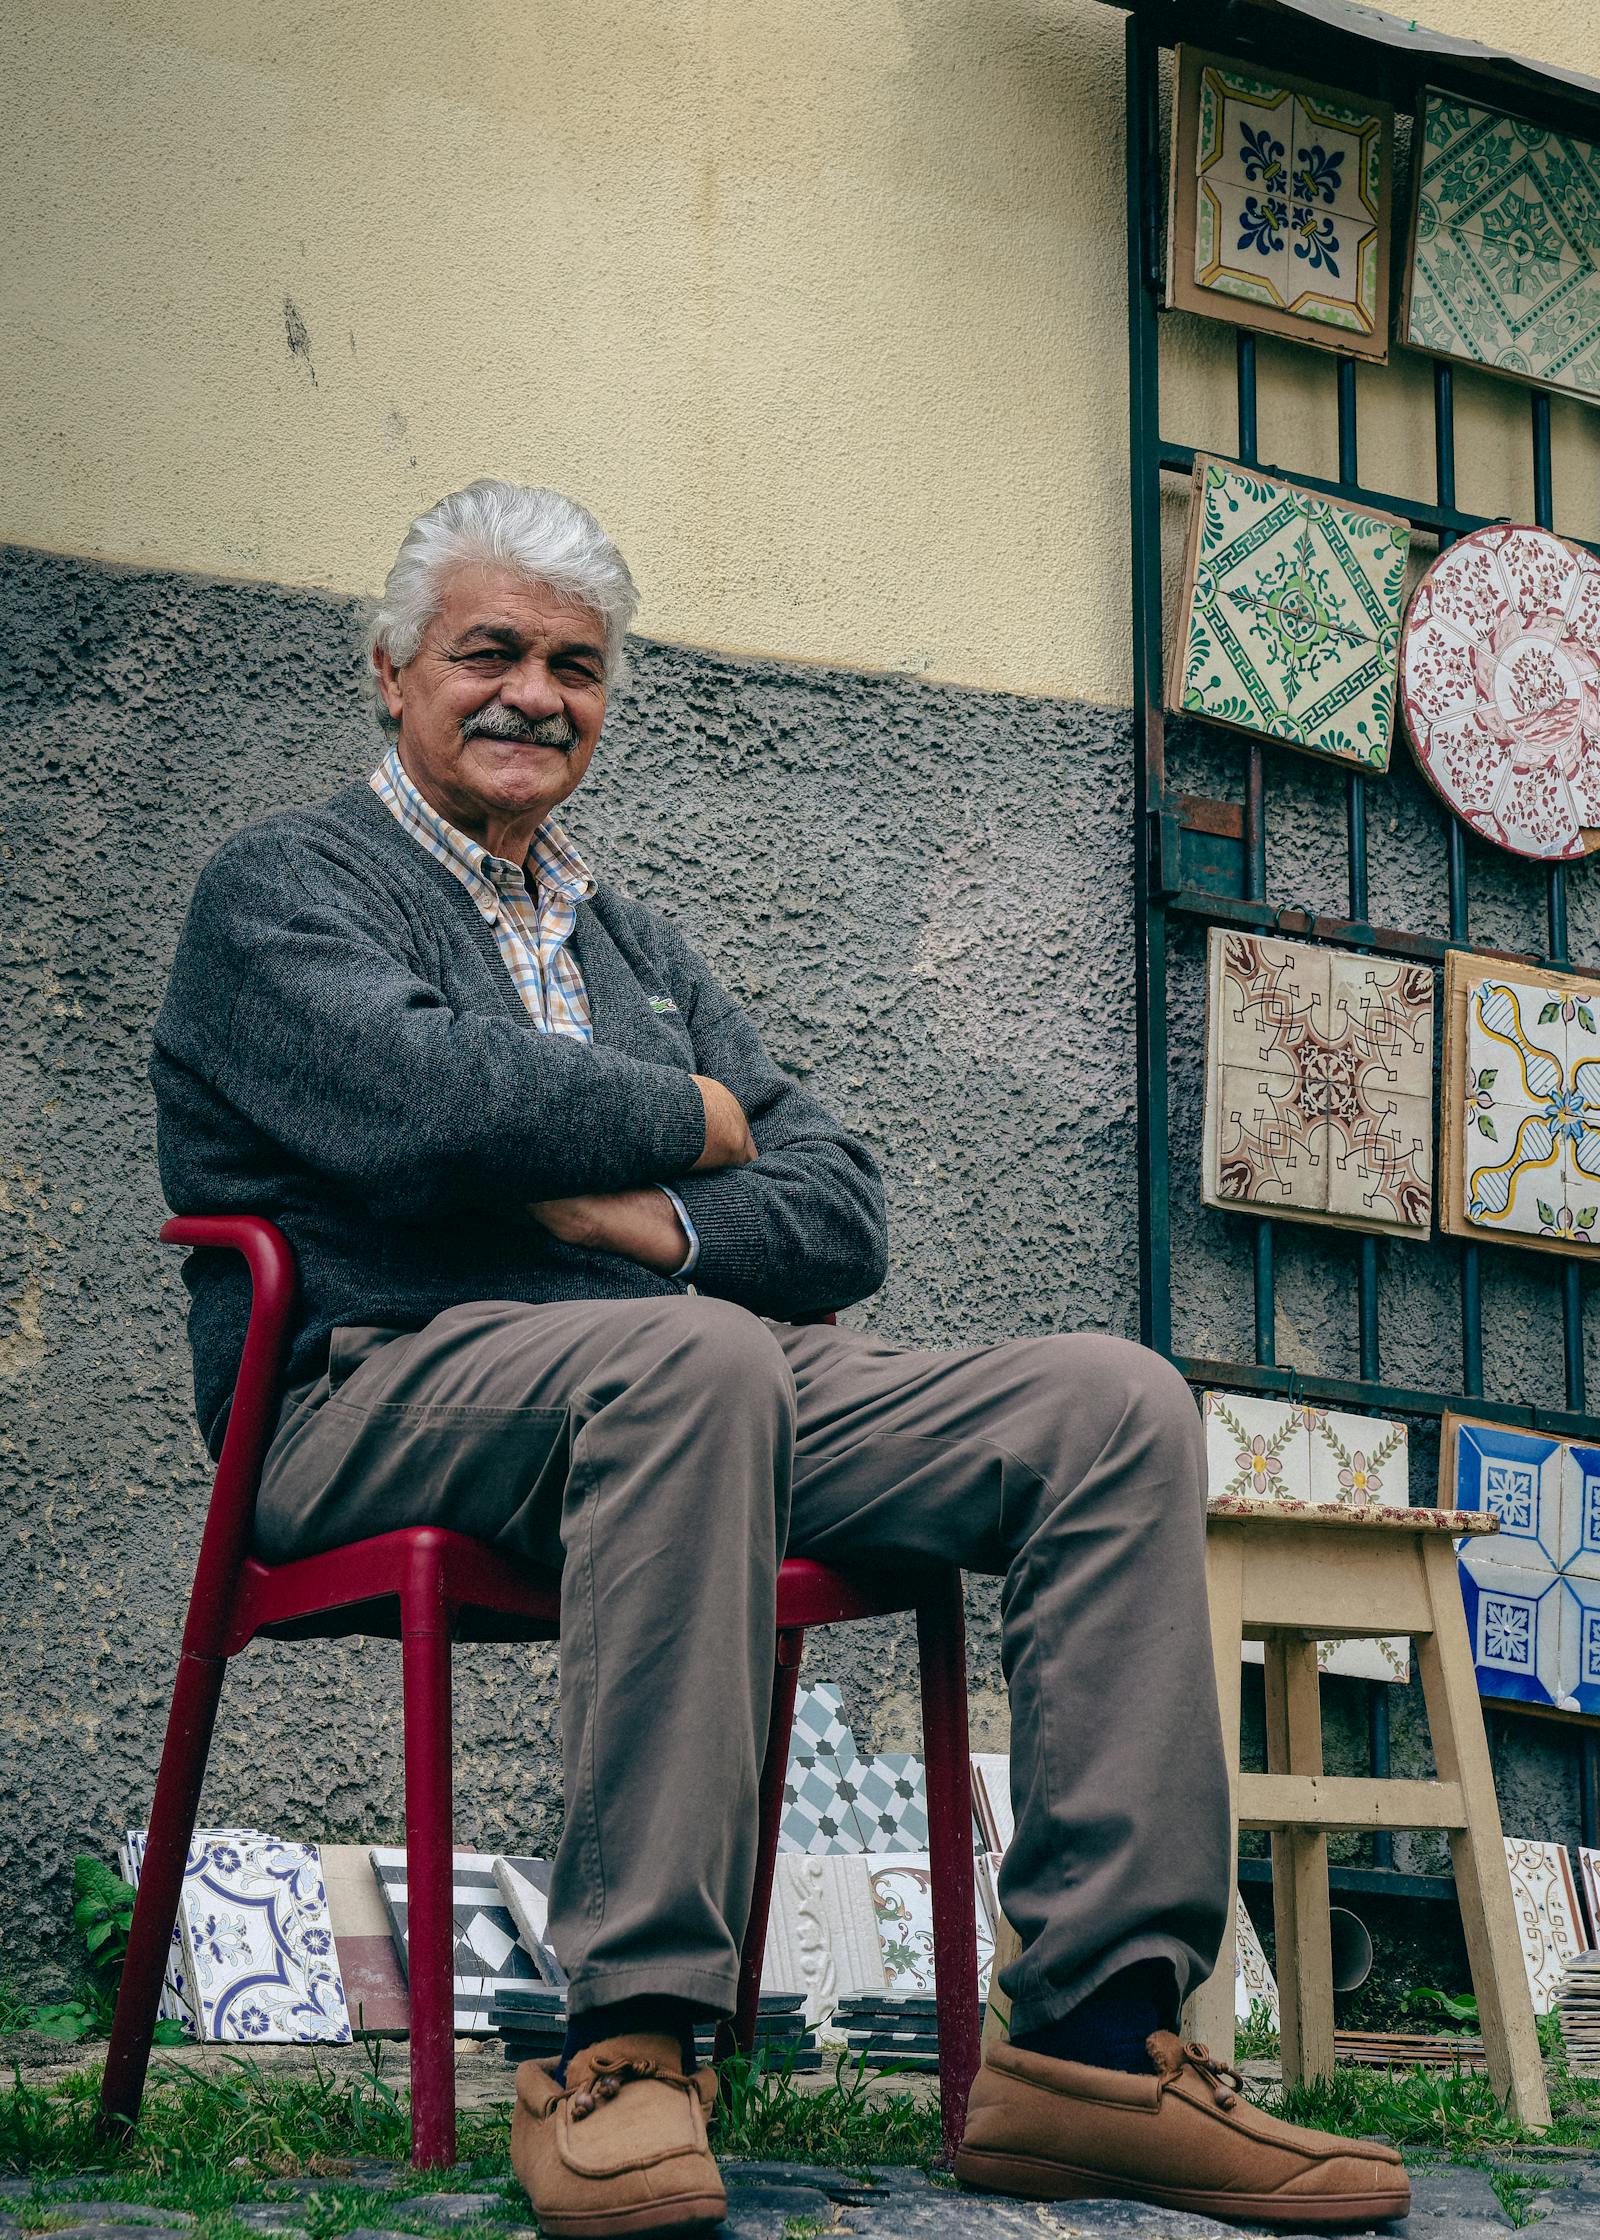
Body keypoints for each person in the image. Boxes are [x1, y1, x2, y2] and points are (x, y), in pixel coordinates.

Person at [151, 481, 1407, 2235]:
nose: (532, 695)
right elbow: (428, 1106)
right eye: (487, 652)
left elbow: (841, 1209)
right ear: (390, 672)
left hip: (671, 1370)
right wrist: (697, 1119)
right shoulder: (282, 888)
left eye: (574, 667)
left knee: (1110, 1403)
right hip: (372, 1390)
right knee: (709, 1372)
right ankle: (634, 2045)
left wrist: (646, 1221)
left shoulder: (629, 941)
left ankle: (1097, 2049)